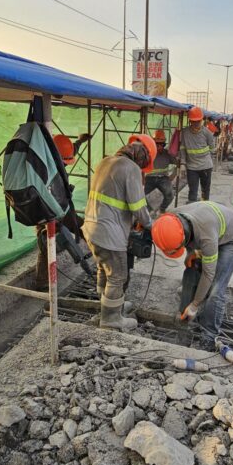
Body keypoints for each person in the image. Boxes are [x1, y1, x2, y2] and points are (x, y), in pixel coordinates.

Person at [82, 134, 156, 330]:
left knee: (103, 269)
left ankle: (107, 307)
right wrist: (152, 225)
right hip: (109, 233)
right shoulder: (131, 168)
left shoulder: (105, 161)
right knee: (117, 275)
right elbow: (138, 207)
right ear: (143, 156)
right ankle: (111, 319)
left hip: (91, 228)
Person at [151, 201, 233, 351]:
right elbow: (188, 237)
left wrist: (195, 304)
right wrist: (192, 252)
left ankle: (209, 336)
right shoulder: (171, 219)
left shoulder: (206, 237)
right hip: (210, 228)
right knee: (191, 269)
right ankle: (187, 320)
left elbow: (208, 273)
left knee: (216, 288)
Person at [32, 133, 91, 290]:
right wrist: (52, 220)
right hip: (44, 210)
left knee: (84, 228)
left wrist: (80, 141)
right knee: (47, 244)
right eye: (63, 162)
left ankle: (102, 259)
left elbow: (71, 150)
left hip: (62, 207)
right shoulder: (41, 167)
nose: (65, 164)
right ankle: (41, 282)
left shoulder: (58, 154)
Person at [180, 106, 216, 202]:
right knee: (192, 192)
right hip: (192, 167)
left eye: (198, 121)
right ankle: (192, 208)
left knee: (205, 191)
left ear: (201, 120)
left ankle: (204, 206)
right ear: (190, 121)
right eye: (194, 121)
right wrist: (183, 163)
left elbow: (212, 148)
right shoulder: (184, 132)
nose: (196, 123)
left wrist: (208, 160)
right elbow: (182, 148)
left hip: (205, 166)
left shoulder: (207, 133)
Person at [145, 129, 176, 216]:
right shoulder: (148, 154)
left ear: (164, 144)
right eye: (156, 144)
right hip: (149, 178)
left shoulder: (167, 154)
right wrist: (141, 178)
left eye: (161, 144)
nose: (159, 146)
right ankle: (149, 210)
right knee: (139, 195)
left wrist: (174, 174)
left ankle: (162, 209)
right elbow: (140, 166)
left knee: (170, 195)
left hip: (163, 178)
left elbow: (178, 163)